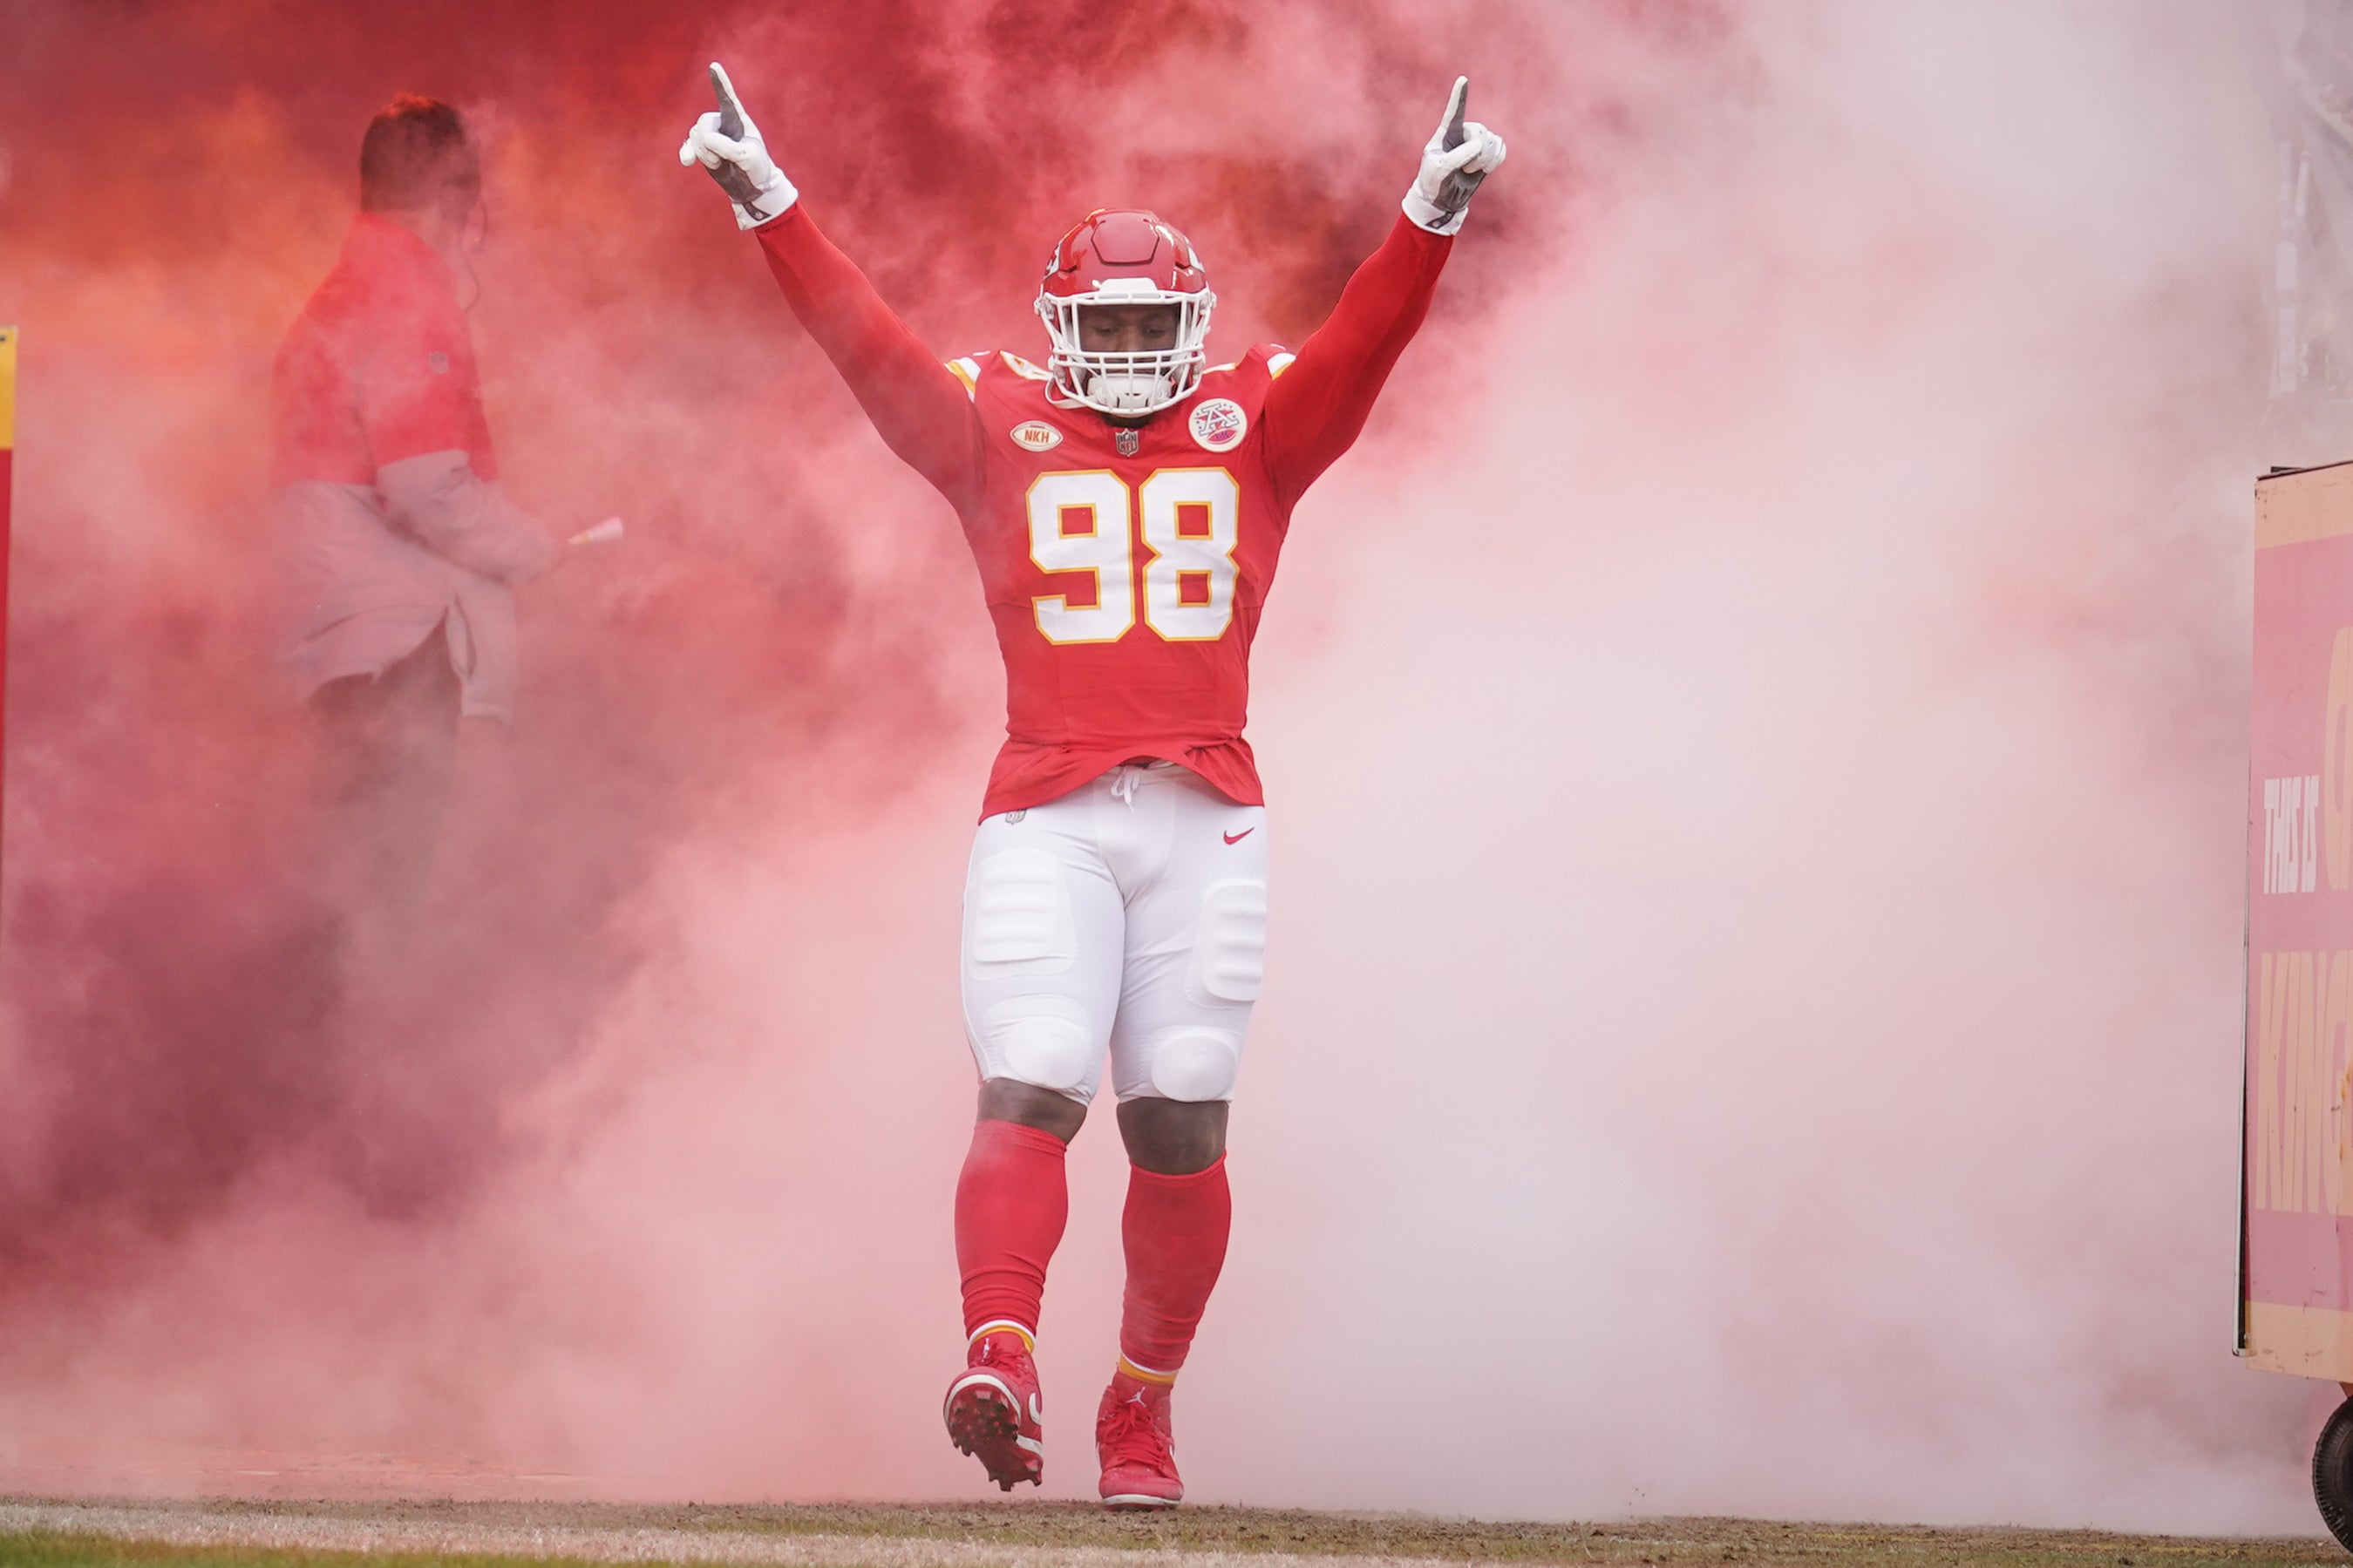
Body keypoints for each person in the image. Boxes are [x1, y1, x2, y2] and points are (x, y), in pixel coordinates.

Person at [680, 65, 1506, 1508]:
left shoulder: (1256, 419)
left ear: (1188, 326)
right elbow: (864, 342)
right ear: (1059, 329)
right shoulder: (989, 417)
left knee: (1180, 1105)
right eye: (1103, 326)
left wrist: (1426, 213)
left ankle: (1141, 1405)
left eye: (1145, 325)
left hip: (1205, 812)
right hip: (1047, 809)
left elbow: (1361, 342)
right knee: (1039, 1060)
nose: (1125, 350)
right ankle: (999, 1355)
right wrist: (771, 202)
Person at [270, 96, 559, 933]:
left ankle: (324, 1015)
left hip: (333, 642)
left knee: (342, 895)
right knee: (382, 902)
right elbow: (427, 484)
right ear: (454, 194)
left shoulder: (335, 296)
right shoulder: (406, 296)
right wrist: (529, 549)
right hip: (396, 649)